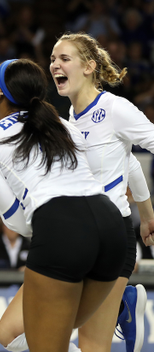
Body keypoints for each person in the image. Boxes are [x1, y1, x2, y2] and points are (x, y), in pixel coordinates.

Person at [0, 58, 128, 352]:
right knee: (12, 331)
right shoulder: (65, 126)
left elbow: (19, 223)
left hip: (63, 230)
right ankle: (119, 309)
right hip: (112, 226)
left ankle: (119, 309)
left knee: (44, 341)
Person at [50, 33, 154, 352]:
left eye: (64, 59)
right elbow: (128, 162)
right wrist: (149, 214)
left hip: (112, 235)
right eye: (53, 59)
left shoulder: (114, 108)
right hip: (82, 236)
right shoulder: (71, 118)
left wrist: (146, 215)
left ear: (89, 66)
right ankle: (125, 302)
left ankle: (123, 301)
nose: (55, 65)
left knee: (90, 345)